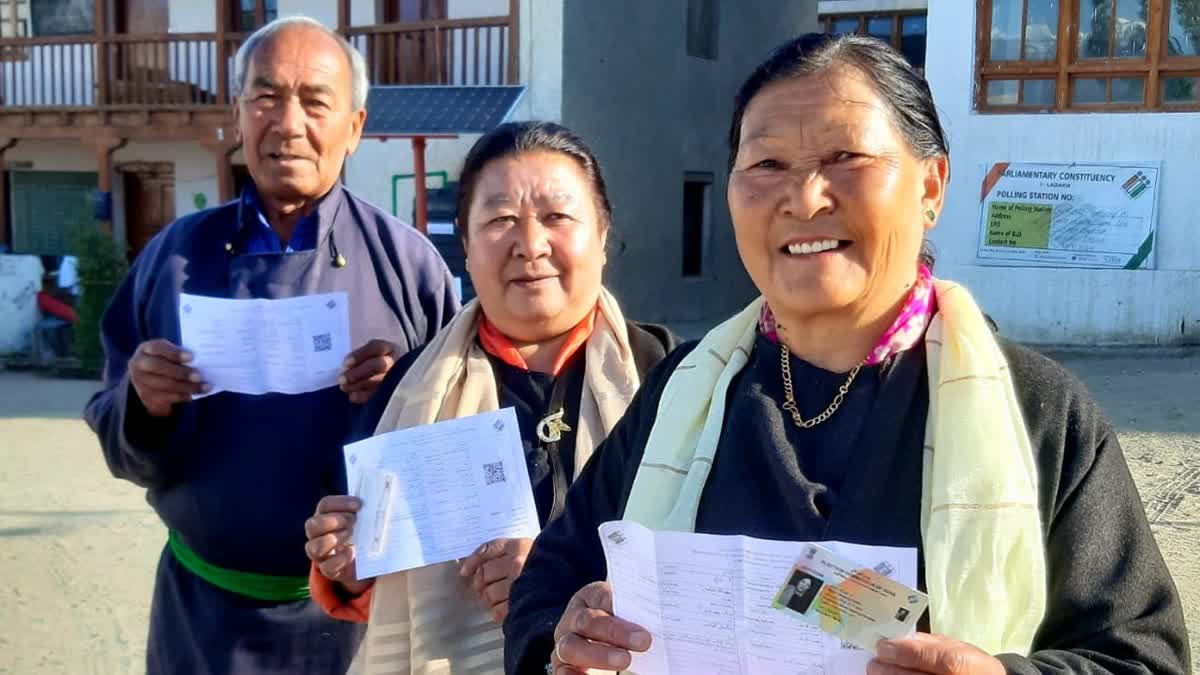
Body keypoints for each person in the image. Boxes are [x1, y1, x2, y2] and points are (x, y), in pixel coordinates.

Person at [505, 34, 1190, 675]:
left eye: (846, 159)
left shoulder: (1038, 410)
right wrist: (565, 633)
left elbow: (1140, 655)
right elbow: (549, 583)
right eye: (768, 164)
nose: (804, 199)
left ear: (930, 187)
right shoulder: (684, 392)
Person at [83, 16, 458, 675]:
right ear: (236, 115)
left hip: (360, 620)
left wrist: (404, 396)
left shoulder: (410, 268)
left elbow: (459, 459)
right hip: (200, 622)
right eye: (265, 97)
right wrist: (143, 403)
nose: (288, 122)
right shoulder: (173, 259)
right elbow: (117, 434)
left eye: (315, 101)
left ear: (355, 126)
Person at [303, 121, 676, 675]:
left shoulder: (670, 379)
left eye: (557, 217)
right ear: (467, 244)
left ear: (601, 234)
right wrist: (348, 566)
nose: (530, 245)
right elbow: (369, 582)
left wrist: (548, 585)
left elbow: (706, 562)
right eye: (501, 220)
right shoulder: (409, 392)